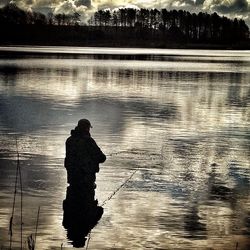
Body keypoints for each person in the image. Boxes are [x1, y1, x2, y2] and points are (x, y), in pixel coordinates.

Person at [64, 118, 106, 191]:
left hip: (72, 178)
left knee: (71, 200)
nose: (89, 130)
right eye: (89, 128)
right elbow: (101, 157)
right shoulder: (88, 141)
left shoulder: (69, 140)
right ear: (86, 128)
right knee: (87, 201)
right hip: (86, 179)